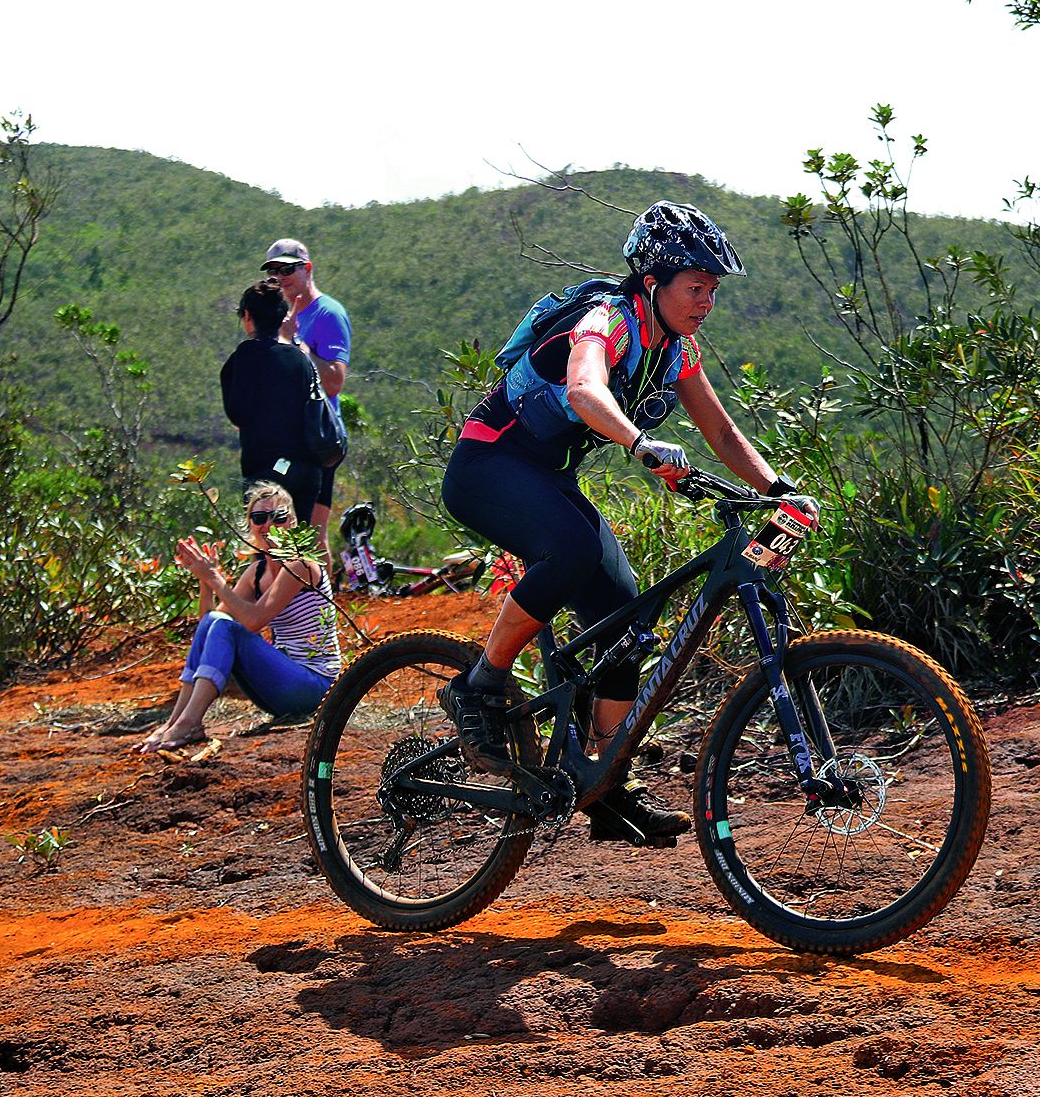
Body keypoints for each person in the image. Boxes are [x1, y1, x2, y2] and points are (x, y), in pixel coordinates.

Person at [438, 201, 818, 847]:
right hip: (486, 465)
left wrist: (780, 489)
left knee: (627, 617)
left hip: (545, 476)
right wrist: (641, 444)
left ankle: (605, 785)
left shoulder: (676, 350)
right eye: (695, 287)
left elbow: (721, 431)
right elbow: (585, 391)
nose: (707, 301)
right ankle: (479, 685)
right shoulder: (607, 319)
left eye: (713, 290)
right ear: (652, 282)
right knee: (569, 548)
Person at [136, 481, 342, 753]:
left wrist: (215, 578)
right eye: (259, 517)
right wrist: (205, 580)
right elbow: (208, 627)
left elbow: (254, 621)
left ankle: (188, 722)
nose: (268, 524)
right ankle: (175, 721)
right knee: (216, 624)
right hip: (282, 686)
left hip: (316, 687)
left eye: (278, 517)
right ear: (250, 525)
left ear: (291, 522)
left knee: (228, 629)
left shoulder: (301, 564)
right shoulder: (255, 573)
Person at [263, 238, 352, 549]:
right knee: (278, 536)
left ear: (308, 269)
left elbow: (334, 382)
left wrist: (297, 345)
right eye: (273, 272)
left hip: (317, 442)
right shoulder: (277, 319)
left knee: (311, 538)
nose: (280, 277)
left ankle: (321, 598)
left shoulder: (328, 314)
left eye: (287, 268)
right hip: (285, 443)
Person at [221, 280, 324, 524]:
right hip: (307, 469)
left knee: (266, 549)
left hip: (267, 469)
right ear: (282, 317)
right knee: (300, 548)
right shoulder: (301, 358)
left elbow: (238, 415)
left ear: (247, 316)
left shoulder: (245, 357)